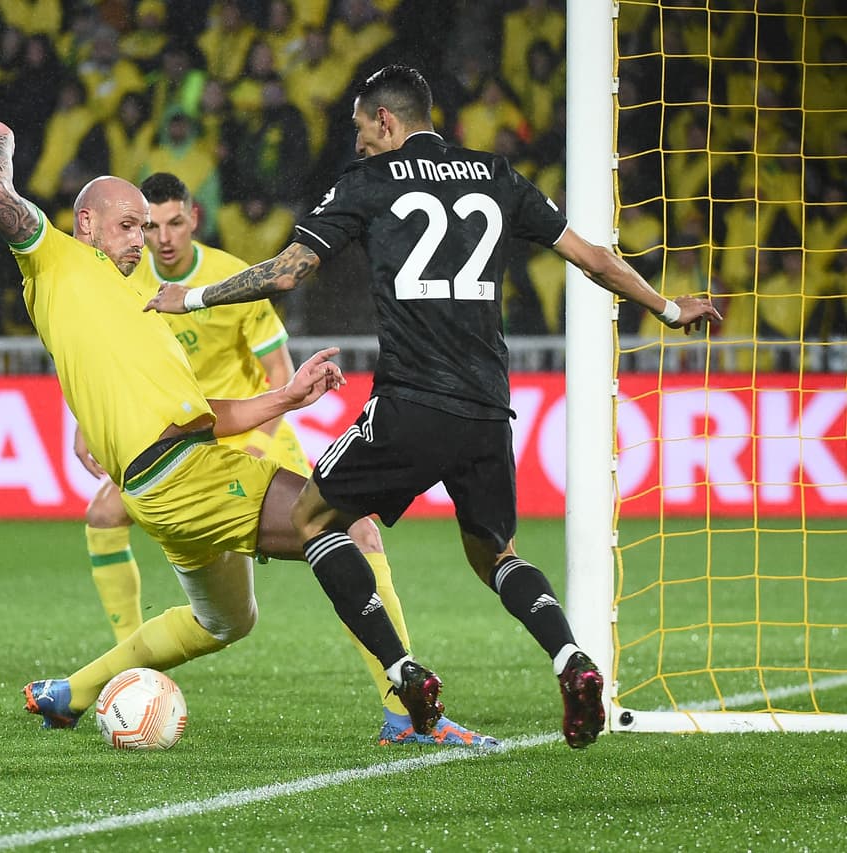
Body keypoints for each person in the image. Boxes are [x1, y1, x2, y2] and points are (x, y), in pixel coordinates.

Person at [145, 65, 724, 749]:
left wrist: (192, 297)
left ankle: (403, 672)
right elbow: (593, 257)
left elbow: (289, 270)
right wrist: (667, 307)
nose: (357, 144)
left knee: (314, 518)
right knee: (497, 555)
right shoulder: (496, 174)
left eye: (361, 130)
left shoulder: (368, 181)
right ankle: (570, 656)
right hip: (487, 408)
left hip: (410, 402)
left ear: (385, 120)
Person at [0, 118, 447, 741]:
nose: (141, 240)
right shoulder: (56, 260)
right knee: (345, 526)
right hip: (182, 475)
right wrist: (4, 142)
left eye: (146, 227)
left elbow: (204, 414)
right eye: (128, 225)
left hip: (178, 471)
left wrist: (284, 397)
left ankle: (71, 693)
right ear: (85, 223)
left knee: (227, 621)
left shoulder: (142, 300)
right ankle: (407, 714)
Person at [77, 172, 493, 746]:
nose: (163, 238)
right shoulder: (131, 280)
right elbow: (109, 361)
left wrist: (255, 443)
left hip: (254, 427)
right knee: (106, 518)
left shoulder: (228, 277)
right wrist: (87, 420)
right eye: (151, 227)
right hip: (183, 439)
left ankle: (398, 706)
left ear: (194, 218)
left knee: (358, 532)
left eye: (174, 223)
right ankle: (123, 662)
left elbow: (277, 370)